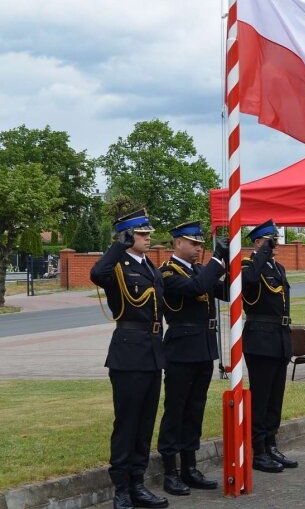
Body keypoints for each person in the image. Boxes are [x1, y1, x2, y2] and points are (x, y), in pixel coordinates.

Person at [90, 209, 169, 509]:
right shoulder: (117, 266)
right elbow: (96, 274)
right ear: (127, 235)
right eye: (141, 234)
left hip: (152, 352)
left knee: (145, 422)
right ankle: (121, 488)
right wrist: (117, 246)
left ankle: (138, 483)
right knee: (127, 422)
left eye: (148, 234)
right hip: (128, 352)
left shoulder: (149, 266)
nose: (148, 238)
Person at [157, 222, 227, 496]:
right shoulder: (167, 273)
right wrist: (217, 261)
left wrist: (229, 263)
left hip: (203, 349)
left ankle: (190, 467)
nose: (199, 248)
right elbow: (196, 287)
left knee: (195, 410)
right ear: (178, 244)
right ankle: (170, 472)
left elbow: (227, 291)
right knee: (175, 411)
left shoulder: (200, 270)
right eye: (193, 243)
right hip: (181, 350)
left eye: (201, 244)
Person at [241, 219, 297, 473]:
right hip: (260, 338)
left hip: (279, 336)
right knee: (261, 398)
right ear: (257, 242)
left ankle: (271, 444)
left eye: (275, 239)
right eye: (269, 239)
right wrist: (262, 252)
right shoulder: (248, 265)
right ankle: (259, 449)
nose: (275, 244)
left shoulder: (279, 267)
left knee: (275, 398)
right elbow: (249, 281)